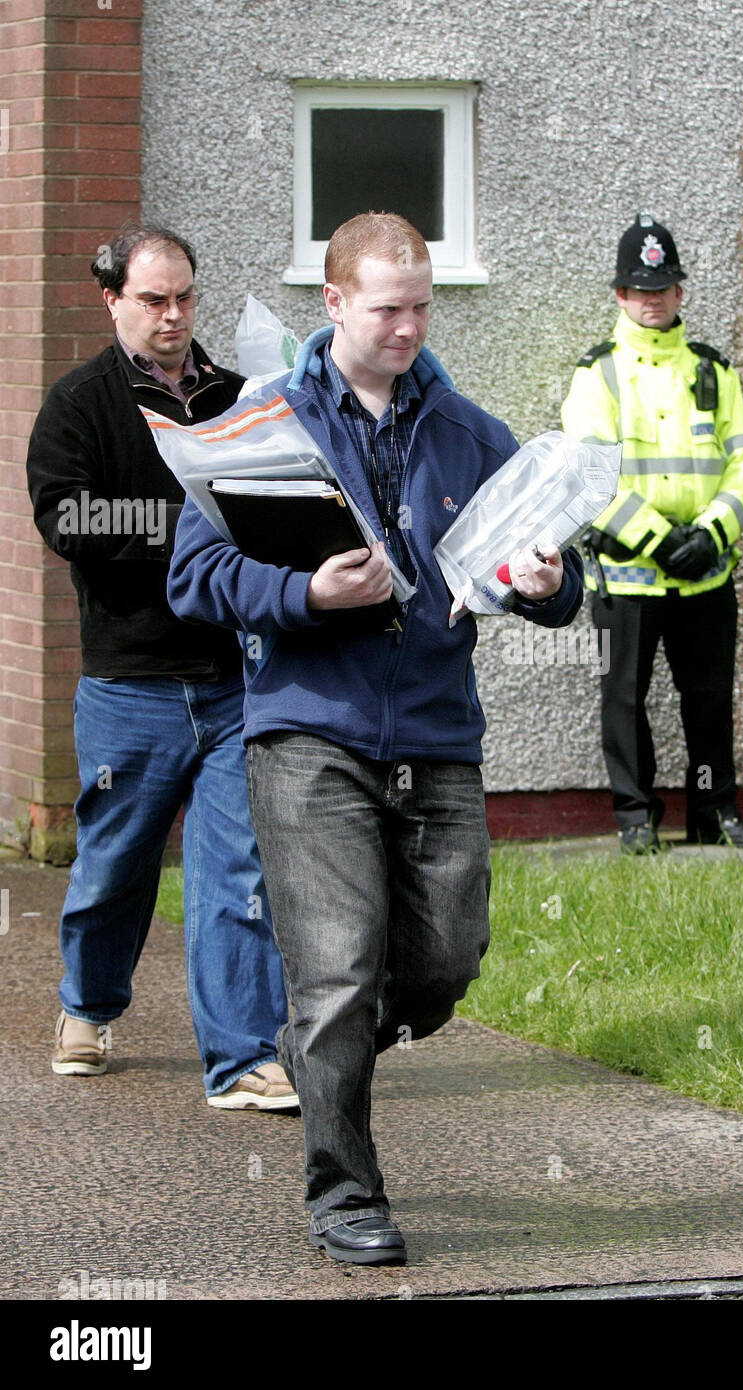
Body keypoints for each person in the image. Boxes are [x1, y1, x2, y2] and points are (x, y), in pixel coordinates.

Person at [168, 212, 584, 1265]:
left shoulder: (472, 432)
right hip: (308, 733)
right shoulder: (262, 424)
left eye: (421, 307)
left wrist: (546, 581)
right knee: (339, 968)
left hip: (438, 737)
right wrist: (304, 588)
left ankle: (321, 1042)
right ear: (335, 303)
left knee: (445, 960)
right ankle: (344, 1194)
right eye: (388, 308)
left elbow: (551, 574)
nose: (408, 327)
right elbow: (191, 578)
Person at [26, 224, 296, 1110]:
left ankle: (244, 1057)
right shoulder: (78, 404)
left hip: (232, 680)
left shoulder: (239, 393)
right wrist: (190, 525)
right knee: (114, 865)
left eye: (185, 297)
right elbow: (70, 523)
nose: (174, 315)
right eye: (153, 300)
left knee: (236, 872)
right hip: (129, 684)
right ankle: (87, 1004)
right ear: (112, 301)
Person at [561, 213, 743, 854]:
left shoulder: (715, 371)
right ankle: (635, 818)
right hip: (626, 572)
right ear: (620, 296)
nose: (652, 300)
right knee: (624, 700)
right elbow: (589, 480)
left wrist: (708, 535)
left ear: (680, 294)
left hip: (706, 569)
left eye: (664, 288)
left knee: (709, 699)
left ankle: (716, 814)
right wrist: (659, 541)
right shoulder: (598, 374)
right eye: (640, 289)